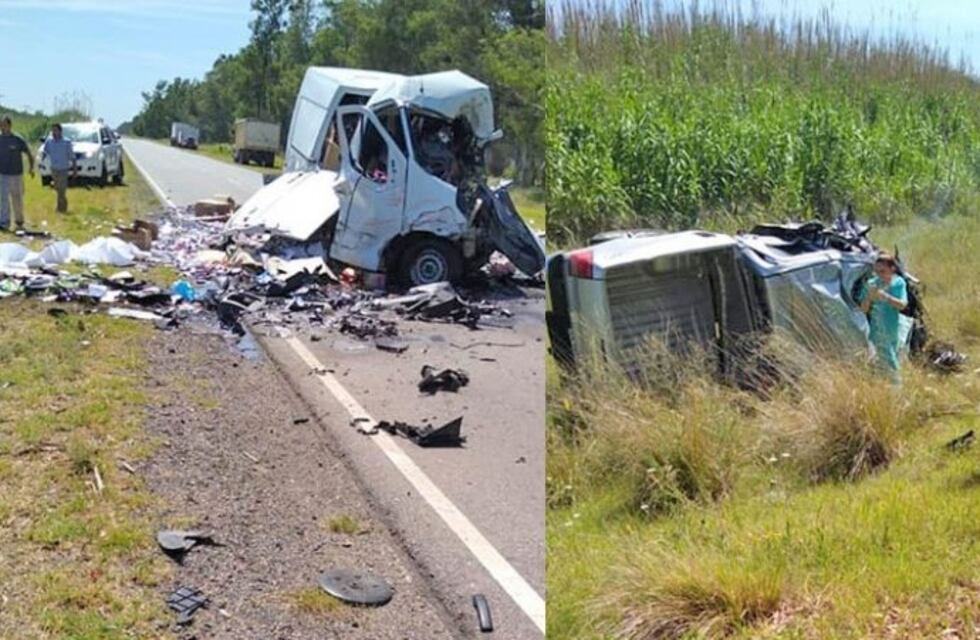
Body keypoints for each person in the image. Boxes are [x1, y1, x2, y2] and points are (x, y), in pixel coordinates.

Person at [859, 253, 908, 381]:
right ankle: (896, 387)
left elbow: (902, 305)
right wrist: (869, 297)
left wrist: (886, 297)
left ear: (892, 269)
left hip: (893, 327)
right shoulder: (872, 284)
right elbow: (863, 309)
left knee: (890, 356)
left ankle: (884, 384)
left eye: (882, 271)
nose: (879, 275)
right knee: (889, 361)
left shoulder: (898, 283)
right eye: (876, 271)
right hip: (878, 329)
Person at [0, 115, 35, 232]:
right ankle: (4, 222)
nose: (2, 127)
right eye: (1, 125)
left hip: (16, 175)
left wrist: (31, 168)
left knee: (17, 198)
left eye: (4, 124)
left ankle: (19, 221)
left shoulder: (17, 139)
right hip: (3, 175)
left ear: (10, 126)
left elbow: (29, 154)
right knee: (3, 199)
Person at [41, 123, 77, 213]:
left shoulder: (66, 142)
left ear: (60, 131)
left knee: (62, 189)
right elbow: (45, 152)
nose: (53, 132)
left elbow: (72, 156)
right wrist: (41, 161)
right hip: (54, 168)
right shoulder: (49, 142)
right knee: (57, 188)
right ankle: (62, 204)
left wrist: (74, 168)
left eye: (55, 130)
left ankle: (61, 208)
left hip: (63, 169)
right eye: (52, 130)